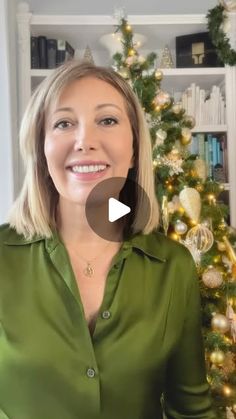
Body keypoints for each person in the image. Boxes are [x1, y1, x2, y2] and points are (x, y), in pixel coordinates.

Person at [0, 60, 217, 419]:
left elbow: (191, 409)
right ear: (41, 148)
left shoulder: (172, 266)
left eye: (107, 120)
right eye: (64, 123)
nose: (85, 141)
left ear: (133, 147)